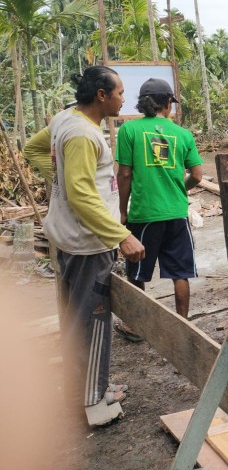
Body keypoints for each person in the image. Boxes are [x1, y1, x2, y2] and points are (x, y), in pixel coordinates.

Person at [24, 66, 146, 427]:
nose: (125, 97)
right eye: (120, 91)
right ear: (102, 96)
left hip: (68, 238)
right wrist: (120, 235)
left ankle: (87, 388)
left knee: (74, 319)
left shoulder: (66, 118)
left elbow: (34, 149)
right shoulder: (80, 134)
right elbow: (79, 193)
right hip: (86, 244)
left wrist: (57, 181)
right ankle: (92, 404)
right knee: (92, 322)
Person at [114, 78, 204, 340]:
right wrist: (180, 189)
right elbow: (198, 176)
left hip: (144, 214)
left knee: (138, 271)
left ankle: (136, 326)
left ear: (143, 103)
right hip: (176, 213)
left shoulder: (129, 131)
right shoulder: (183, 134)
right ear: (167, 102)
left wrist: (122, 210)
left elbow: (125, 175)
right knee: (180, 273)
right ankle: (182, 323)